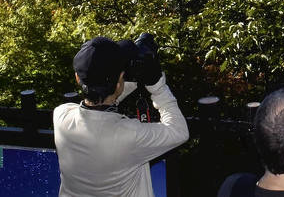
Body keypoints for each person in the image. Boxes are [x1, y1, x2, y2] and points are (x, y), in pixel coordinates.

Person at [54, 36, 190, 197]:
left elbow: (101, 106)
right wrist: (156, 85)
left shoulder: (61, 116)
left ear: (77, 77)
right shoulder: (130, 135)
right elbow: (179, 131)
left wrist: (124, 80)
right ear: (120, 80)